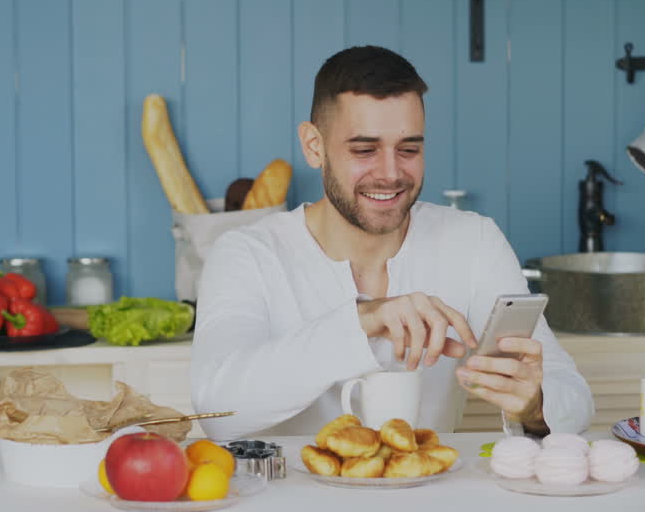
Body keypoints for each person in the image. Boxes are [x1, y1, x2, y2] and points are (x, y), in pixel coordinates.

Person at [190, 46, 593, 441]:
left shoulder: (473, 242)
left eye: (409, 149)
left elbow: (572, 395)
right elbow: (219, 413)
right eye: (364, 149)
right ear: (314, 146)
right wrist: (362, 321)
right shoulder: (247, 253)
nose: (390, 173)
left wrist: (535, 406)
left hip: (430, 502)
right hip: (289, 503)